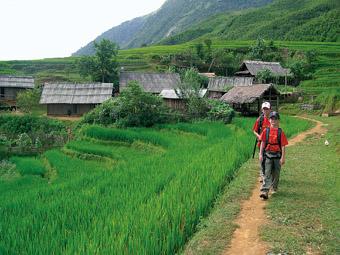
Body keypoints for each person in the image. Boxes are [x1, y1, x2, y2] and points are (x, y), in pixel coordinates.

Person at [259, 111, 288, 199]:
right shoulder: (266, 131)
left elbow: (283, 146)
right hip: (268, 155)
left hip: (277, 156)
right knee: (267, 173)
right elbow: (263, 143)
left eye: (275, 119)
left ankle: (274, 187)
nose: (273, 121)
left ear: (278, 120)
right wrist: (260, 154)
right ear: (269, 120)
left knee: (276, 173)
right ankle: (265, 191)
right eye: (272, 119)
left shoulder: (280, 132)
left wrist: (283, 157)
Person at [252, 102, 271, 181]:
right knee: (262, 159)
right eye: (264, 109)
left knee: (269, 159)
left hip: (271, 143)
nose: (265, 110)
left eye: (267, 109)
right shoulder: (260, 120)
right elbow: (254, 131)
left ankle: (268, 174)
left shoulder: (272, 119)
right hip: (261, 143)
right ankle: (262, 174)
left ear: (270, 109)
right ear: (262, 110)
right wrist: (259, 136)